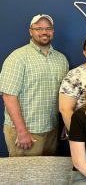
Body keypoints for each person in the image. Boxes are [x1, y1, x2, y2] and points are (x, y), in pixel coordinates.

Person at [0, 14, 69, 156]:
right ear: (30, 31)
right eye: (39, 28)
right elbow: (8, 95)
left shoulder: (61, 59)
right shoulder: (18, 57)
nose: (44, 32)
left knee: (47, 176)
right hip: (26, 133)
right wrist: (21, 131)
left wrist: (65, 124)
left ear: (53, 31)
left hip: (51, 130)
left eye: (48, 28)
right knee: (23, 176)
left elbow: (65, 97)